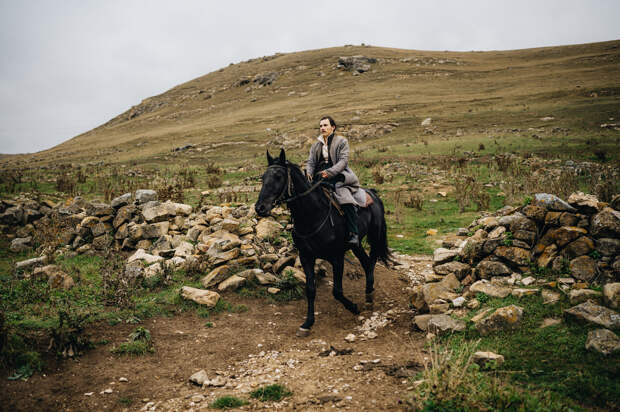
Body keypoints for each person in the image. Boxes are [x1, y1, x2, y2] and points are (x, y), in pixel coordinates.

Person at [306, 116, 367, 247]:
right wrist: (309, 173)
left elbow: (343, 161)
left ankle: (353, 233)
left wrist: (330, 172)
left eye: (325, 125)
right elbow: (311, 162)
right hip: (319, 177)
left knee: (345, 198)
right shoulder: (316, 145)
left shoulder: (341, 142)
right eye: (321, 126)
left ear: (333, 127)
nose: (322, 128)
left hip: (338, 176)